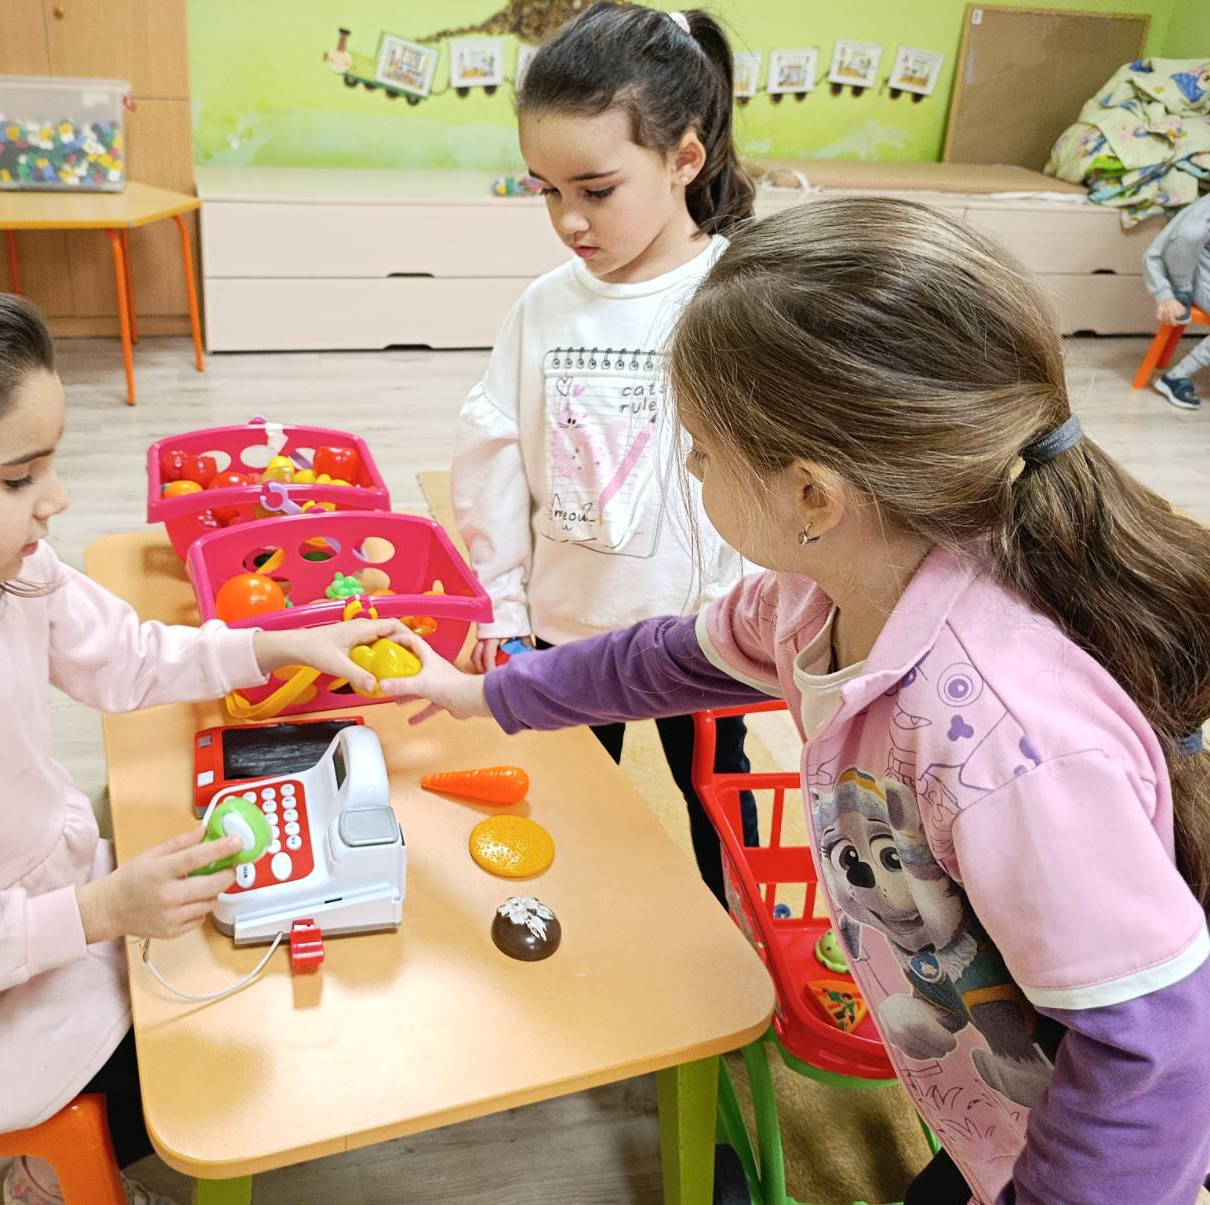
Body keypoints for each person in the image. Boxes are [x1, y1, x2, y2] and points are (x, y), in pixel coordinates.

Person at [392, 197, 1210, 1204]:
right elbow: (660, 660)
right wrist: (485, 691)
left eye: (699, 450)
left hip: (1066, 1152)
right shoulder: (820, 594)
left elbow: (1150, 1054)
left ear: (812, 494)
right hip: (989, 1113)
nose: (689, 468)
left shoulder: (1008, 744)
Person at [0, 246, 398, 1205]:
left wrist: (272, 644)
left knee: (246, 970)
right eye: (19, 478)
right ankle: (51, 1181)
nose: (56, 500)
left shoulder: (2, 571)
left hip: (50, 903)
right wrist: (100, 912)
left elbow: (126, 656)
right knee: (211, 1071)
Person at [452, 3, 756, 902]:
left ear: (684, 159)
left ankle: (739, 945)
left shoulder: (738, 296)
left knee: (722, 814)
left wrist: (753, 609)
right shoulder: (546, 306)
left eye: (595, 190)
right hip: (569, 626)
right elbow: (495, 452)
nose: (568, 220)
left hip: (705, 638)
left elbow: (775, 473)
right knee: (572, 805)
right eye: (547, 191)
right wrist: (501, 602)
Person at [1144, 190, 1210, 411]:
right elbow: (1151, 255)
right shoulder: (1202, 214)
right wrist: (1166, 295)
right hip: (1197, 277)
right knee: (1192, 232)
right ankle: (1175, 377)